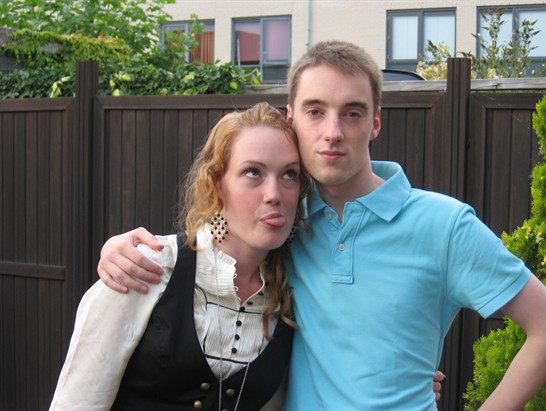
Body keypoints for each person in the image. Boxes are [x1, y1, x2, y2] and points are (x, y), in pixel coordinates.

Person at [97, 41, 546, 410]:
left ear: (375, 122)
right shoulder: (287, 221)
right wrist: (141, 248)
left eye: (352, 112)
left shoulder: (444, 226)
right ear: (291, 118)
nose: (333, 131)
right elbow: (220, 236)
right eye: (315, 111)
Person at [50, 102, 312, 410]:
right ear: (217, 185)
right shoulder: (145, 267)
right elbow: (77, 402)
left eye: (289, 174)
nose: (274, 194)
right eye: (253, 172)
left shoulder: (291, 294)